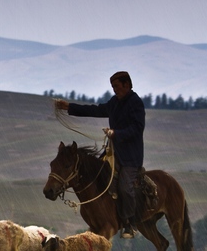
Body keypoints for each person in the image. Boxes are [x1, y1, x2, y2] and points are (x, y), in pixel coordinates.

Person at [54, 71, 145, 238]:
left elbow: (137, 129)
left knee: (125, 187)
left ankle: (130, 223)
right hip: (113, 153)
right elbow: (96, 110)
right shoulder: (115, 102)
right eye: (113, 87)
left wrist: (115, 133)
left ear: (127, 85)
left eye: (117, 86)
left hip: (131, 157)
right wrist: (69, 107)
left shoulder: (136, 103)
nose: (115, 90)